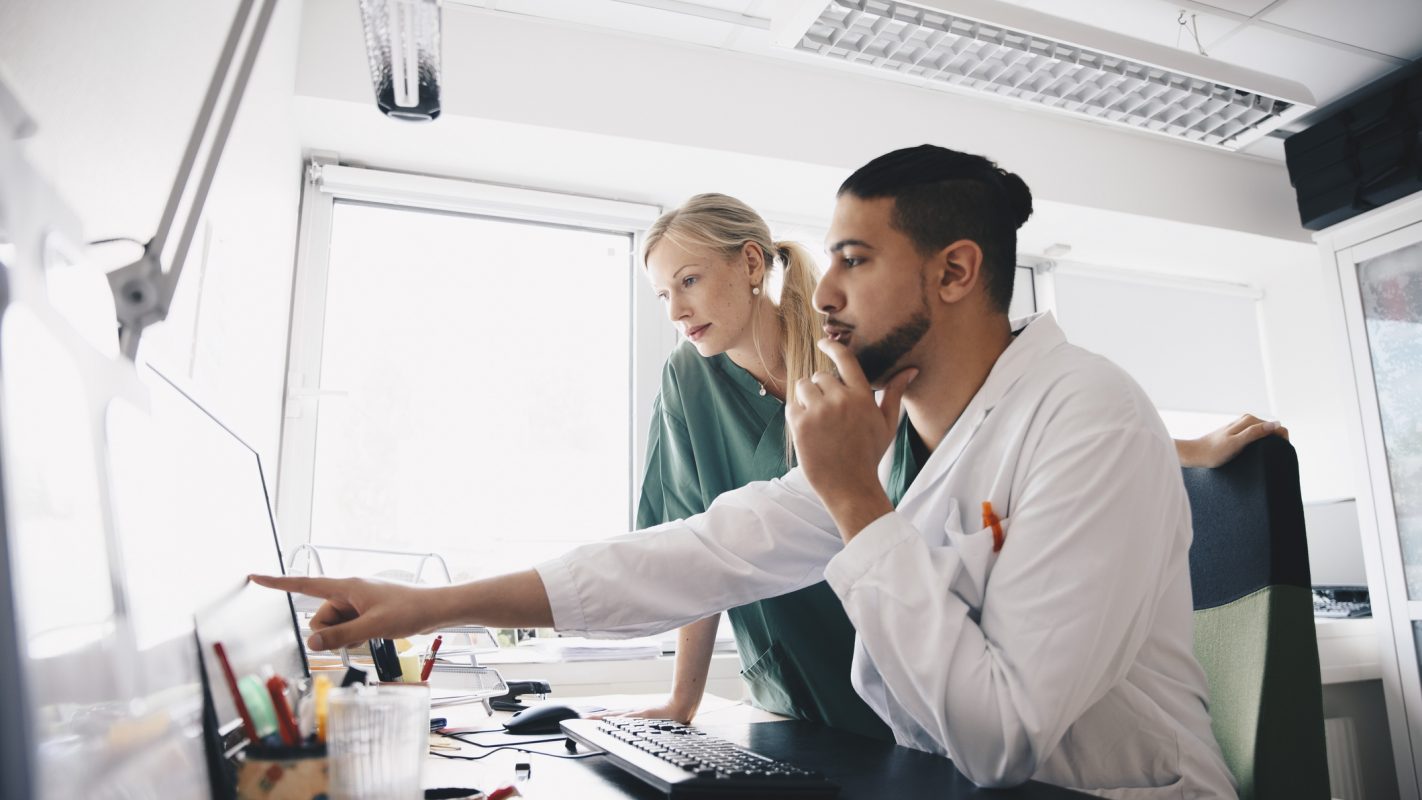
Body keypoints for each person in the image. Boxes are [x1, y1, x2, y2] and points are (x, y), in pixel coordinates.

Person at [257, 145, 1249, 796]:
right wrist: (427, 604)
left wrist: (858, 500)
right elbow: (694, 555)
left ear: (954, 271)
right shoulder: (902, 435)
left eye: (856, 259)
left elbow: (1000, 736)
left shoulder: (1087, 412)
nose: (829, 290)